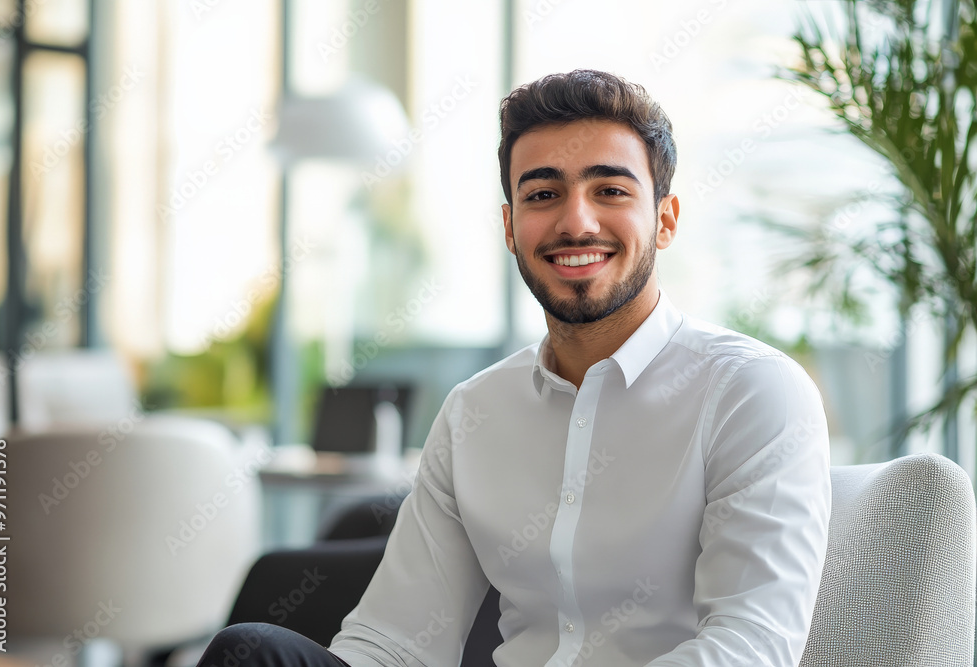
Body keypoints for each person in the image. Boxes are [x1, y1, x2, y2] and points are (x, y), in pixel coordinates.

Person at [197, 69, 831, 667]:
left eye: (609, 190)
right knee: (253, 652)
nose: (575, 221)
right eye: (543, 193)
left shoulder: (751, 392)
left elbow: (750, 646)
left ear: (664, 219)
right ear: (511, 226)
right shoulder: (476, 411)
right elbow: (396, 640)